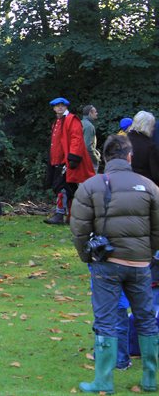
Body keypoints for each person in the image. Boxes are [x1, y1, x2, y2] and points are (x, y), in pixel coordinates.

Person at [70, 134, 159, 393]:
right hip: (140, 265)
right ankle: (150, 378)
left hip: (107, 264)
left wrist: (88, 257)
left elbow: (79, 229)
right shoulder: (150, 186)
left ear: (105, 158)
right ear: (129, 157)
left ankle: (104, 381)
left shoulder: (91, 186)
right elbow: (157, 230)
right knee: (145, 319)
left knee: (105, 319)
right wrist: (147, 254)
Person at [44, 97, 95, 225]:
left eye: (62, 105)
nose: (60, 107)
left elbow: (76, 139)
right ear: (54, 108)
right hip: (57, 160)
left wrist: (73, 157)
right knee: (69, 188)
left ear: (66, 107)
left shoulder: (71, 120)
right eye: (57, 105)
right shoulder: (57, 122)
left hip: (67, 160)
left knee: (62, 187)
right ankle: (71, 216)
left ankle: (60, 214)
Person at [128, 111, 159, 186]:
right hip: (145, 185)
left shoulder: (122, 141)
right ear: (148, 126)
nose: (153, 129)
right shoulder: (150, 146)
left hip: (125, 181)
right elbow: (156, 174)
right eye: (152, 126)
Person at [82, 105, 102, 173]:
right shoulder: (89, 126)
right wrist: (96, 158)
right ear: (90, 113)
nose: (97, 113)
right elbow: (87, 146)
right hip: (88, 160)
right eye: (95, 112)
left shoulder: (79, 123)